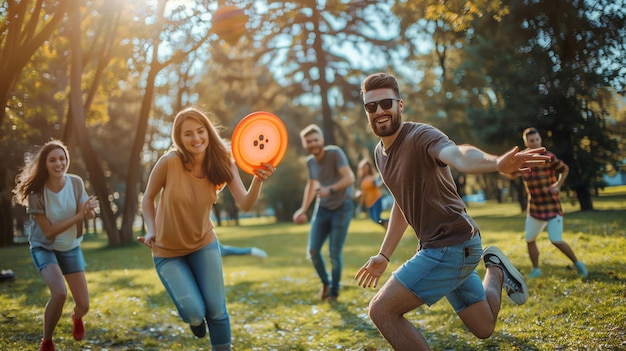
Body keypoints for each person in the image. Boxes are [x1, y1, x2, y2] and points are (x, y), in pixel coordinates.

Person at [354, 73, 551, 350]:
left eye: (386, 103)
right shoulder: (380, 153)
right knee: (484, 327)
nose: (379, 111)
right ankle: (495, 268)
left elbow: (460, 155)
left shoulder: (421, 136)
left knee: (381, 310)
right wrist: (384, 255)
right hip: (458, 248)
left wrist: (495, 162)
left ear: (400, 104)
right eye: (370, 106)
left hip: (450, 246)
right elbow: (402, 202)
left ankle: (491, 265)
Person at [139, 107, 274, 351]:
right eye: (188, 134)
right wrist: (151, 229)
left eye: (200, 131)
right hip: (167, 251)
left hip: (203, 243)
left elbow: (245, 203)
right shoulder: (169, 162)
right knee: (194, 311)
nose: (196, 138)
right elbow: (148, 198)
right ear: (179, 138)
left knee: (216, 309)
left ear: (208, 132)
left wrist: (258, 179)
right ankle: (194, 321)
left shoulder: (223, 163)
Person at [13, 139, 98, 351]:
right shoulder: (37, 193)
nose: (59, 163)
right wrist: (79, 215)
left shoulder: (76, 183)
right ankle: (47, 341)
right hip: (45, 247)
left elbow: (88, 214)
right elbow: (49, 231)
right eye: (53, 160)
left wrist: (88, 211)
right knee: (59, 293)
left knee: (84, 305)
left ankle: (76, 317)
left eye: (62, 158)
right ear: (45, 164)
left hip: (70, 247)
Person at [292, 124, 355, 302]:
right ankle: (325, 282)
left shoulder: (335, 153)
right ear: (304, 144)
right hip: (323, 207)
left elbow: (350, 178)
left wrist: (331, 189)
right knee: (313, 251)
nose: (312, 144)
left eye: (315, 140)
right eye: (308, 141)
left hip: (342, 206)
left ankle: (333, 292)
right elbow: (311, 185)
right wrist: (303, 210)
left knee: (334, 253)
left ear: (322, 140)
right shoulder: (310, 162)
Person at [516, 127, 588, 278]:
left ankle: (578, 263)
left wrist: (558, 185)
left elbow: (565, 169)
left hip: (552, 206)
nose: (535, 143)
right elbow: (511, 174)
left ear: (540, 139)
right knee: (530, 239)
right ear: (526, 142)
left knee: (555, 239)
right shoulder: (522, 159)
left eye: (537, 139)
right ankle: (536, 269)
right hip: (535, 208)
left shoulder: (548, 156)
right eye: (531, 140)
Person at [356, 158, 388, 229]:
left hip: (376, 200)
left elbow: (378, 185)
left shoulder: (373, 178)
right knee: (374, 219)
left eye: (367, 167)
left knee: (377, 219)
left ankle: (389, 223)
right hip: (369, 202)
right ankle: (387, 224)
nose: (365, 169)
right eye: (364, 167)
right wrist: (360, 205)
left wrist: (384, 179)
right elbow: (363, 193)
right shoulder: (361, 180)